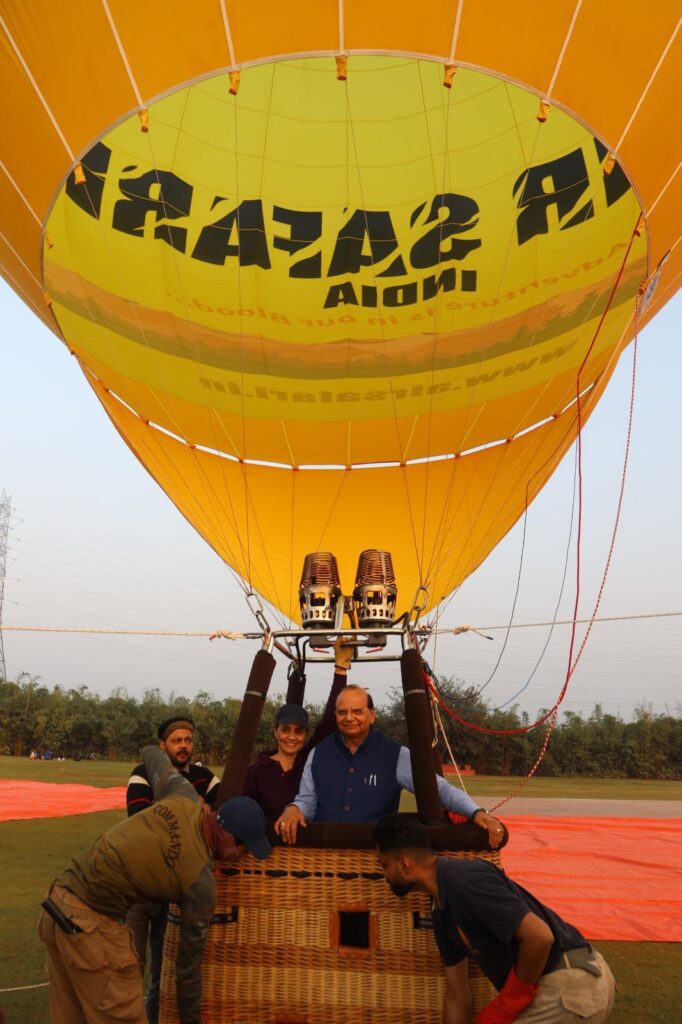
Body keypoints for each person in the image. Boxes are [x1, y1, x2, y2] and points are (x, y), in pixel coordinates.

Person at [38, 745, 270, 1024]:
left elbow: (152, 754)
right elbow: (187, 971)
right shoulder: (200, 882)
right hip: (91, 925)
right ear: (229, 838)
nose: (238, 858)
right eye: (243, 850)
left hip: (57, 903)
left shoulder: (183, 795)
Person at [374, 814, 615, 1024]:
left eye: (385, 866)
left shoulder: (466, 881)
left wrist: (508, 1004)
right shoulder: (441, 913)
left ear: (405, 863)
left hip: (571, 984)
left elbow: (540, 937)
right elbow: (458, 997)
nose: (384, 875)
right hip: (564, 986)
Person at [275, 683, 503, 846]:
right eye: (342, 712)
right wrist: (294, 809)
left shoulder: (395, 754)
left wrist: (475, 812)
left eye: (357, 711)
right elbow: (307, 800)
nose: (349, 718)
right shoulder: (319, 753)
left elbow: (437, 788)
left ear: (372, 715)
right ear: (335, 716)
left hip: (374, 855)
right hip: (325, 854)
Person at [126, 716, 220, 1024]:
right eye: (177, 740)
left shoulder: (204, 775)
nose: (184, 746)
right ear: (162, 745)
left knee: (161, 973)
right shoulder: (142, 774)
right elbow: (143, 821)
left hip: (177, 892)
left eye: (188, 740)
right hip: (140, 887)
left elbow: (226, 810)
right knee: (128, 967)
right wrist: (197, 809)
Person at [243, 639, 351, 819]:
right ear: (275, 732)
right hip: (270, 844)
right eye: (286, 730)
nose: (291, 737)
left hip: (306, 844)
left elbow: (330, 721)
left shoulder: (309, 760)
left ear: (305, 735)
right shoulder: (257, 771)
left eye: (298, 731)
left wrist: (340, 668)